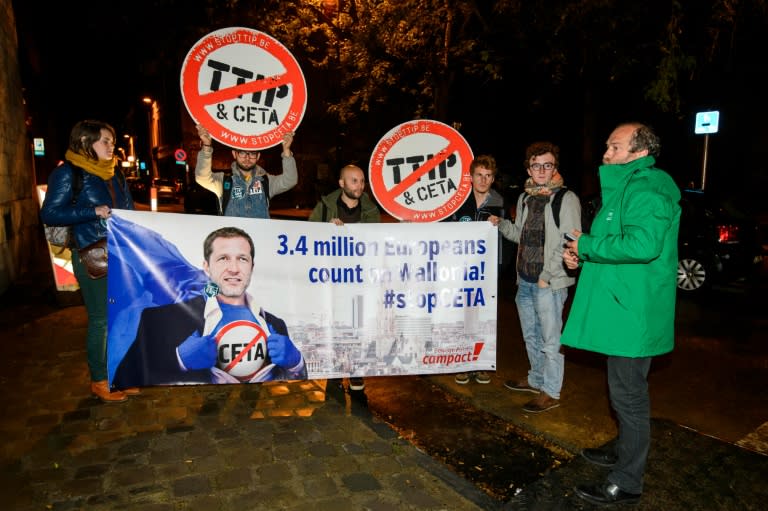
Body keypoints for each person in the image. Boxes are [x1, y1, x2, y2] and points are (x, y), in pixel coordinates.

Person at [562, 123, 680, 506]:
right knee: (622, 391)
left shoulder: (647, 188)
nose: (606, 154)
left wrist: (587, 244)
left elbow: (643, 245)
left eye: (614, 147)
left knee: (629, 396)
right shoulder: (628, 187)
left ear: (639, 152)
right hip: (623, 309)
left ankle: (627, 481)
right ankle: (623, 450)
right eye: (607, 146)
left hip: (633, 315)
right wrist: (582, 253)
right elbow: (615, 246)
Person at [113, 226, 307, 386]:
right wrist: (178, 360)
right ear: (206, 267)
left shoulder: (275, 325)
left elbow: (294, 380)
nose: (233, 268)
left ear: (252, 267)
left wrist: (296, 362)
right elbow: (123, 379)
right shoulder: (159, 319)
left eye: (242, 259)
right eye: (223, 258)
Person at [40, 120, 138, 403]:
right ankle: (99, 379)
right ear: (85, 142)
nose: (111, 146)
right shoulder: (68, 173)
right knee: (101, 319)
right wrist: (91, 211)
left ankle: (119, 374)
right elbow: (50, 213)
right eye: (105, 141)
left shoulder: (114, 173)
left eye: (112, 141)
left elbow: (128, 209)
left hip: (121, 253)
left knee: (124, 315)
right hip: (91, 254)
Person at [489, 142, 581, 413]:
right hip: (524, 279)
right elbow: (521, 234)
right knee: (531, 335)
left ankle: (551, 391)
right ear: (528, 168)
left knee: (551, 340)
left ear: (555, 168)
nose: (541, 170)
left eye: (547, 165)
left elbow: (570, 239)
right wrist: (502, 225)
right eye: (536, 165)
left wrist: (546, 275)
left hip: (548, 282)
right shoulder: (525, 197)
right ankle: (536, 379)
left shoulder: (566, 198)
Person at [309, 164, 381, 392]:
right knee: (335, 326)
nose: (359, 186)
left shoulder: (370, 211)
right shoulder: (325, 207)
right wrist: (325, 231)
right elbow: (305, 236)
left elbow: (375, 243)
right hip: (332, 280)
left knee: (358, 326)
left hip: (359, 280)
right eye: (354, 181)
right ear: (342, 183)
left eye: (361, 181)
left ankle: (356, 372)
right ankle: (335, 371)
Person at [447, 154, 505, 386]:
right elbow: (444, 231)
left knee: (483, 319)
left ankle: (480, 364)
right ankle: (463, 364)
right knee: (462, 317)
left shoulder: (499, 201)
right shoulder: (458, 201)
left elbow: (504, 239)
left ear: (493, 179)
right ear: (471, 177)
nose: (483, 180)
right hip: (461, 270)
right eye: (479, 175)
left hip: (486, 271)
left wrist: (499, 269)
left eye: (488, 176)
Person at [194, 124, 297, 218]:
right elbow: (202, 178)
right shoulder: (224, 180)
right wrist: (207, 146)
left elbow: (290, 180)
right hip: (232, 237)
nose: (247, 158)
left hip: (259, 237)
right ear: (234, 154)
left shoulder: (266, 181)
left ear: (258, 156)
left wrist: (287, 151)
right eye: (242, 153)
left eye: (252, 154)